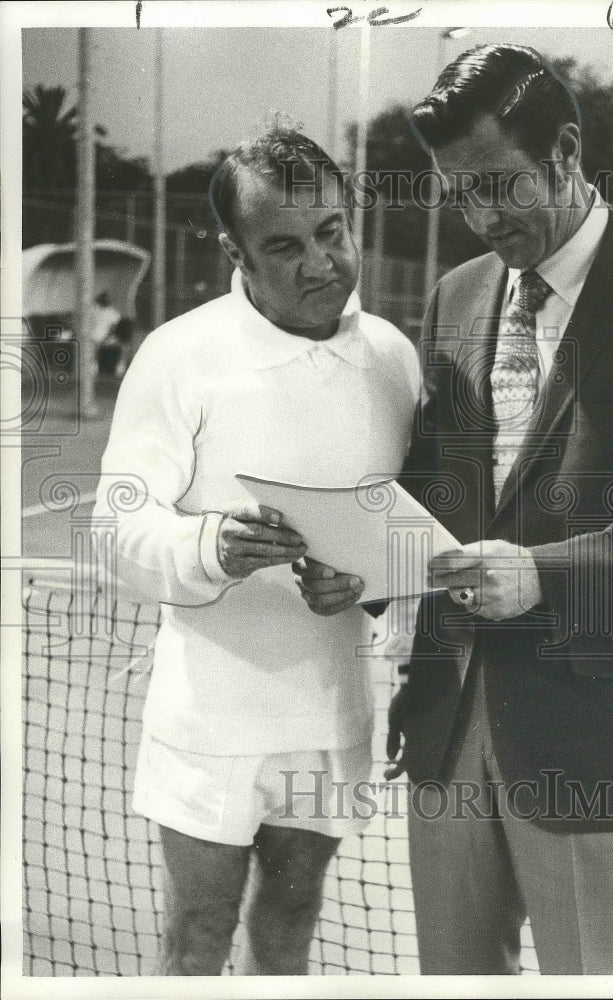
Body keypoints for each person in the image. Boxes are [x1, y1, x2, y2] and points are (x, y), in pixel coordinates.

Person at [296, 45, 613, 975]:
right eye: (460, 193)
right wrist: (366, 572)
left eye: (500, 185)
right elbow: (439, 494)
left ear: (567, 150)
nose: (482, 215)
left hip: (597, 731)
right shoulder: (456, 294)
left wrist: (541, 576)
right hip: (447, 718)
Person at [92, 126, 419, 975]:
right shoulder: (177, 356)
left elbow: (415, 544)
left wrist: (369, 581)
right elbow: (114, 530)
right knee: (197, 931)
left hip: (331, 716)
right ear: (234, 251)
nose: (320, 263)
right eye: (283, 244)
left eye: (331, 232)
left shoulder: (394, 359)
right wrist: (213, 544)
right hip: (207, 722)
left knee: (293, 920)